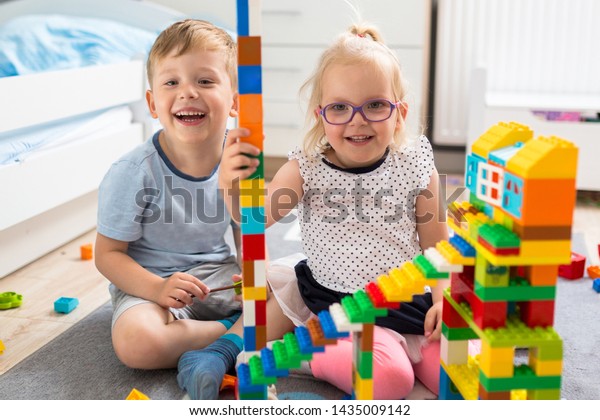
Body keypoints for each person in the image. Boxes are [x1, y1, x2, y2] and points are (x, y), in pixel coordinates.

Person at [219, 23, 449, 399]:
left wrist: (442, 299)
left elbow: (437, 249)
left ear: (400, 113)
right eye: (340, 107)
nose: (357, 119)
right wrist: (230, 182)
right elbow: (254, 218)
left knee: (463, 370)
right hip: (338, 309)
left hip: (408, 304)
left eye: (375, 105)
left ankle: (385, 354)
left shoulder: (414, 164)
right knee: (391, 380)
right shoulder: (306, 169)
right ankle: (306, 353)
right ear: (320, 114)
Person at [95, 19, 293, 400]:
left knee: (295, 288)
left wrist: (258, 272)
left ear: (234, 101)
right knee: (137, 342)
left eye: (205, 81)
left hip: (219, 278)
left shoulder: (239, 159)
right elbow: (108, 255)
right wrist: (157, 287)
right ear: (153, 104)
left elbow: (245, 229)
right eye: (172, 83)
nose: (188, 93)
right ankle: (239, 337)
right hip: (151, 287)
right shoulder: (133, 173)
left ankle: (215, 353)